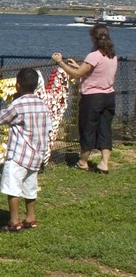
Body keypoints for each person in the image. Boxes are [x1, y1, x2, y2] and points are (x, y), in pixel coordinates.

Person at [52, 24, 118, 174]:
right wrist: (78, 66)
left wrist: (60, 62)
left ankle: (83, 162)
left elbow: (77, 75)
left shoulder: (94, 56)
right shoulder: (112, 55)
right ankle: (104, 163)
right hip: (109, 96)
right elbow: (95, 72)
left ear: (93, 38)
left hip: (93, 98)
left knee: (88, 129)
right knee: (105, 129)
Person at [0, 69, 51, 232]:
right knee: (30, 186)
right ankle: (30, 217)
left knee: (12, 187)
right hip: (36, 154)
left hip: (19, 154)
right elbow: (48, 127)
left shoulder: (18, 104)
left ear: (17, 85)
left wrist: (12, 102)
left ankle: (14, 221)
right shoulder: (42, 104)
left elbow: (1, 119)